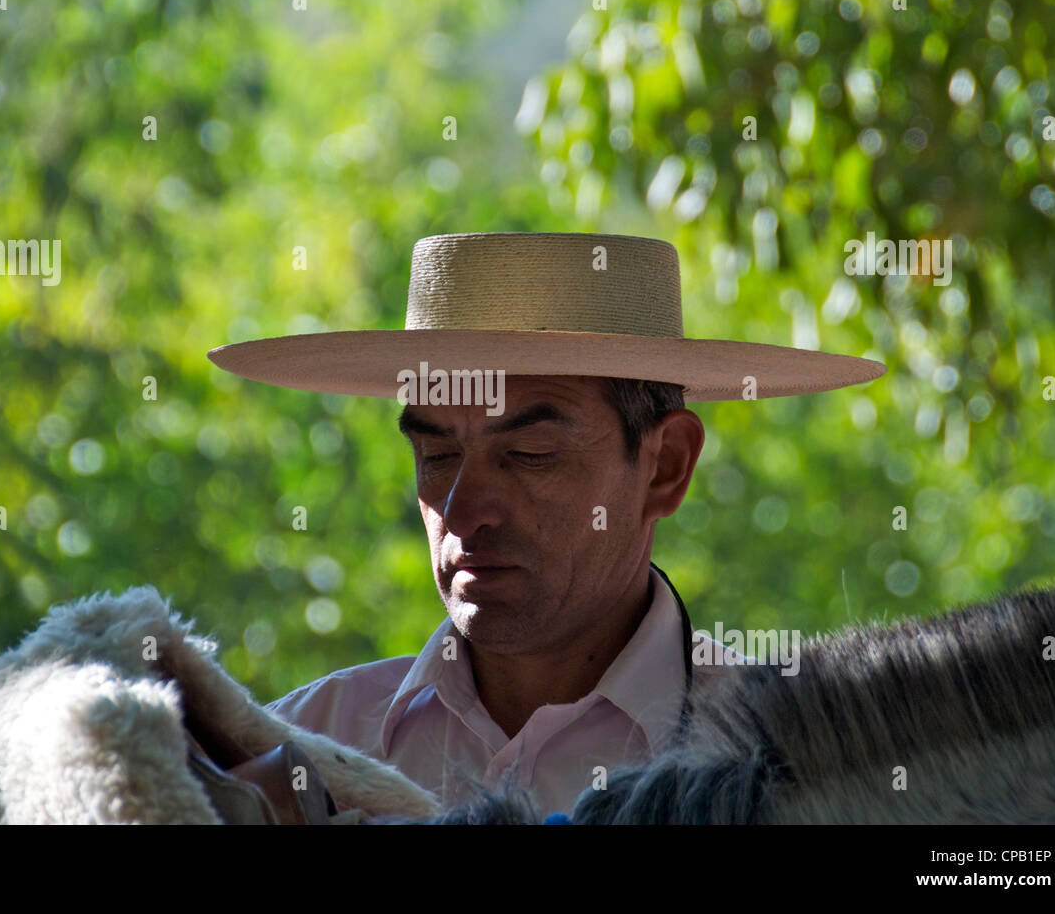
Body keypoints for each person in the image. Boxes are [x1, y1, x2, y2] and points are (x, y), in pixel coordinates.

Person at [207, 231, 885, 816]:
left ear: (665, 466)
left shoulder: (796, 770)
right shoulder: (296, 757)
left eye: (530, 455)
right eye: (436, 454)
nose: (462, 510)